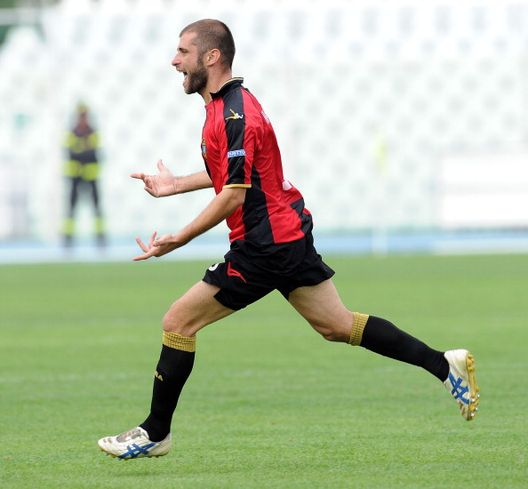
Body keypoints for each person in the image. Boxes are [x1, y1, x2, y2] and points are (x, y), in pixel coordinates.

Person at [97, 19, 479, 460]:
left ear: (212, 56)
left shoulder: (236, 113)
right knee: (337, 325)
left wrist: (178, 239)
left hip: (266, 244)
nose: (174, 60)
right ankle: (443, 363)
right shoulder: (225, 108)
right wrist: (174, 185)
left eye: (183, 51)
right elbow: (237, 175)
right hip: (285, 233)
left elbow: (233, 195)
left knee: (178, 322)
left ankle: (155, 432)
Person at [62, 103, 105, 247]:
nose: (83, 119)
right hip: (75, 176)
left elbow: (94, 153)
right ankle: (68, 238)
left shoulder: (92, 132)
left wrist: (80, 151)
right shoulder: (72, 132)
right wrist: (83, 151)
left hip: (91, 175)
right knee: (71, 208)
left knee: (97, 207)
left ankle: (100, 237)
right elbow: (70, 153)